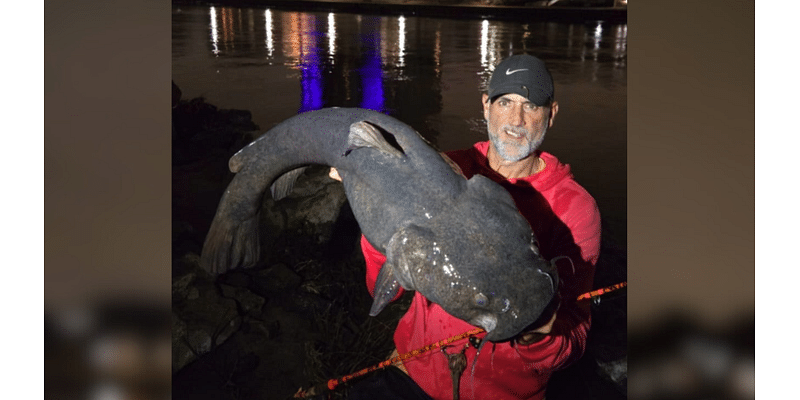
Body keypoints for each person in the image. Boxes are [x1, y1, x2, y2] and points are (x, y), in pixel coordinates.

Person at [336, 54, 601, 400]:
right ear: (486, 106)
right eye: (505, 101)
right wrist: (375, 209)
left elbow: (575, 341)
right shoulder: (445, 168)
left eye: (532, 106)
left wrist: (538, 334)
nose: (516, 120)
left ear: (550, 115)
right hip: (412, 373)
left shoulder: (576, 208)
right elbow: (384, 287)